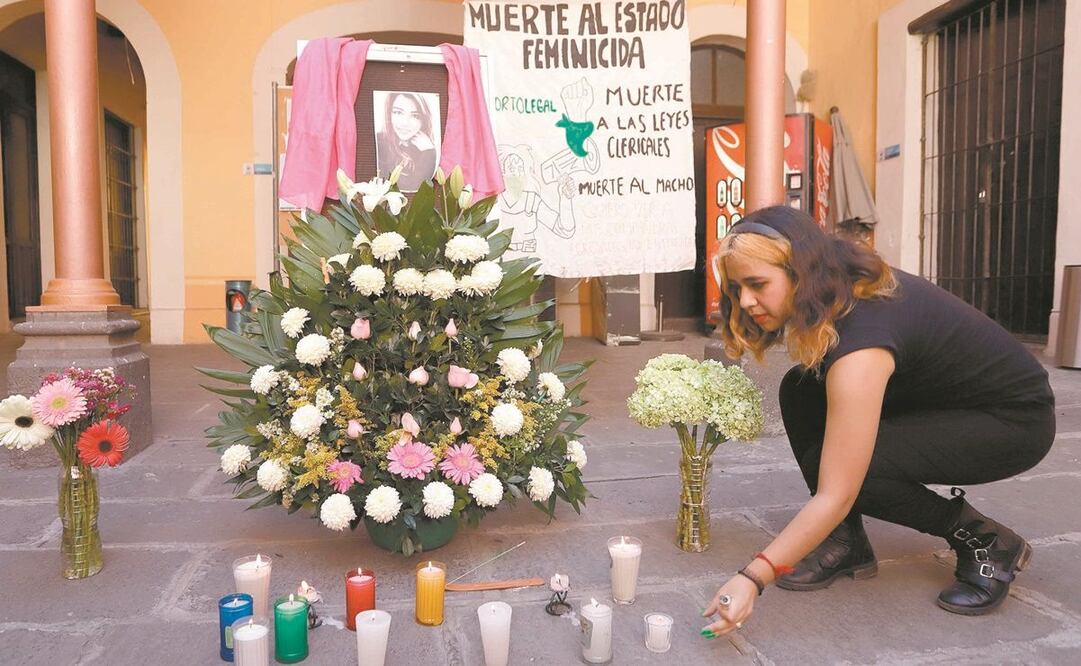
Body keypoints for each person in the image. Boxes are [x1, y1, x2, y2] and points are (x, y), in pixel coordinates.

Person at [701, 205, 1055, 637]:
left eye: (758, 284)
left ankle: (987, 541)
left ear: (801, 271)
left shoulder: (861, 341)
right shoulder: (839, 284)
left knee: (857, 474)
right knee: (801, 389)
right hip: (941, 401)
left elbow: (837, 491)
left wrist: (753, 577)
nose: (747, 301)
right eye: (737, 289)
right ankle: (846, 543)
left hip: (1011, 422)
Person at [376, 92, 438, 192]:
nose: (405, 123)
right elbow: (404, 186)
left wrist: (428, 152)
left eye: (415, 116)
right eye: (398, 112)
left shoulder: (425, 146)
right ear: (389, 114)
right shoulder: (379, 142)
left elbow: (420, 188)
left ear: (424, 119)